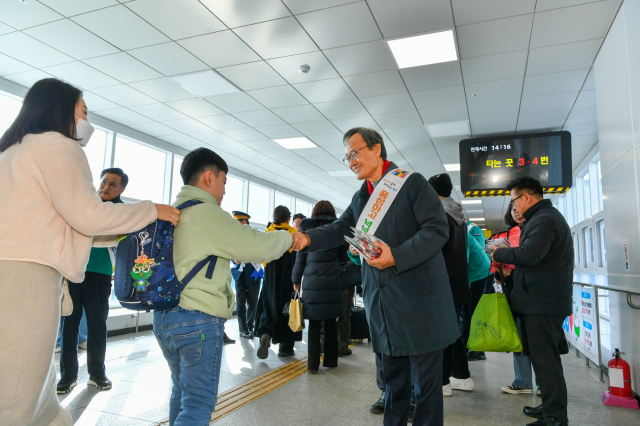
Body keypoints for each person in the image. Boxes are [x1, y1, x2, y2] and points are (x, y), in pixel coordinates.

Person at [0, 78, 179, 426]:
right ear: (64, 109)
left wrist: (123, 231)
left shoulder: (13, 151)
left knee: (32, 384)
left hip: (12, 273)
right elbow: (87, 215)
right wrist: (151, 210)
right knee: (19, 391)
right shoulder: (57, 146)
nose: (86, 120)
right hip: (27, 278)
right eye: (84, 111)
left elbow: (69, 224)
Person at [291, 127, 459, 426]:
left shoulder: (411, 184)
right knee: (393, 385)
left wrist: (396, 255)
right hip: (383, 306)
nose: (351, 160)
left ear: (377, 149)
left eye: (355, 153)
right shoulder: (361, 198)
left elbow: (436, 230)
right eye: (347, 157)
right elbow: (340, 228)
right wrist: (307, 239)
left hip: (420, 305)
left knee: (426, 389)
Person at [155, 147, 294, 426]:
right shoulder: (208, 213)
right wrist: (289, 239)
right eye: (224, 182)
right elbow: (256, 246)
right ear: (209, 178)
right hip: (197, 319)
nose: (224, 191)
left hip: (164, 318)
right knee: (198, 403)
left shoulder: (171, 212)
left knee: (181, 393)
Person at [491, 177, 573, 426]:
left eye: (514, 199)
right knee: (542, 359)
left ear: (526, 197)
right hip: (538, 298)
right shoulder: (541, 218)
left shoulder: (545, 219)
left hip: (543, 301)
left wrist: (498, 252)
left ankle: (555, 417)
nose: (513, 205)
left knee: (546, 361)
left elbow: (530, 254)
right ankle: (549, 407)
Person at [57, 167, 131, 394]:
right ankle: (67, 376)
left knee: (97, 326)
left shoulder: (123, 212)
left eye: (112, 184)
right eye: (104, 182)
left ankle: (97, 374)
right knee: (69, 325)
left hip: (100, 275)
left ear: (122, 188)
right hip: (74, 271)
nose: (106, 187)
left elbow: (123, 241)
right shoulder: (88, 205)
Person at [427, 173, 473, 397]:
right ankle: (462, 377)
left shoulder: (439, 214)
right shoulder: (458, 214)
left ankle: (443, 382)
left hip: (442, 282)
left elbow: (433, 250)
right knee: (453, 331)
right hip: (457, 282)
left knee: (441, 333)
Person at [291, 201, 349, 373]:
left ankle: (313, 365)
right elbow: (344, 257)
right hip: (332, 281)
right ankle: (331, 361)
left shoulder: (307, 230)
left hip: (311, 282)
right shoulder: (337, 229)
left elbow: (300, 259)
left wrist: (296, 280)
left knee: (314, 325)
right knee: (331, 323)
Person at [495, 206, 539, 396]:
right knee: (527, 338)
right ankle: (530, 383)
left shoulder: (529, 230)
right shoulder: (530, 229)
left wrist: (500, 256)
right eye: (513, 210)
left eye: (519, 208)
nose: (517, 213)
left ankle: (524, 382)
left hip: (528, 293)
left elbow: (518, 257)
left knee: (523, 338)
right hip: (523, 291)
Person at [256, 206, 301, 359]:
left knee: (269, 307)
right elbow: (297, 259)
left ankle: (266, 333)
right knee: (287, 311)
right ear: (288, 219)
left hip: (269, 278)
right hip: (287, 278)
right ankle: (285, 348)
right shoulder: (292, 234)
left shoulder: (267, 233)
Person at [461, 215, 491, 361]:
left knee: (472, 313)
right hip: (475, 272)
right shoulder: (464, 231)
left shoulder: (471, 230)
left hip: (478, 274)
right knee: (468, 312)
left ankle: (475, 349)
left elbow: (463, 260)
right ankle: (472, 347)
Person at [231, 211, 262, 339]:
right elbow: (230, 252)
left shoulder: (256, 235)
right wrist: (234, 259)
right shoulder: (233, 236)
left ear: (244, 221)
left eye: (237, 222)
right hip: (239, 273)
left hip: (255, 271)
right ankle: (242, 329)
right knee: (240, 300)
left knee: (253, 301)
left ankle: (250, 326)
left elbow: (261, 251)